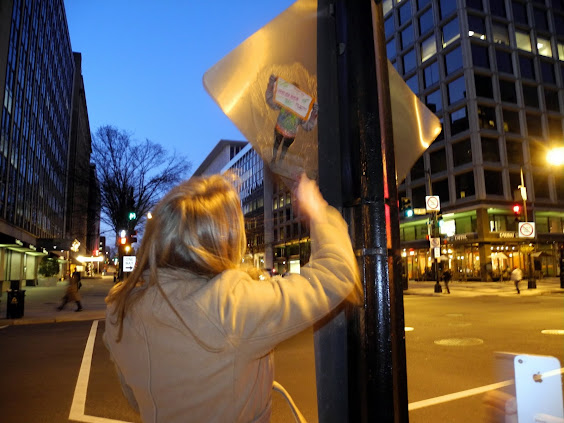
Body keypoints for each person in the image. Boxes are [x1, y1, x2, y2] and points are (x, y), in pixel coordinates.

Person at [104, 173, 361, 423]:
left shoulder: (120, 309)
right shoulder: (230, 305)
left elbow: (136, 398)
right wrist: (318, 212)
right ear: (223, 241)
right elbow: (335, 273)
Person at [265, 74, 319, 164]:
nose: (294, 95)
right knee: (276, 145)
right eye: (292, 91)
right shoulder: (283, 102)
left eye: (296, 92)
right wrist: (271, 85)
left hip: (290, 134)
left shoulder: (301, 110)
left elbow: (307, 126)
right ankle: (274, 159)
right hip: (280, 129)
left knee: (284, 148)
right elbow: (271, 101)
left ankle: (280, 160)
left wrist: (314, 113)